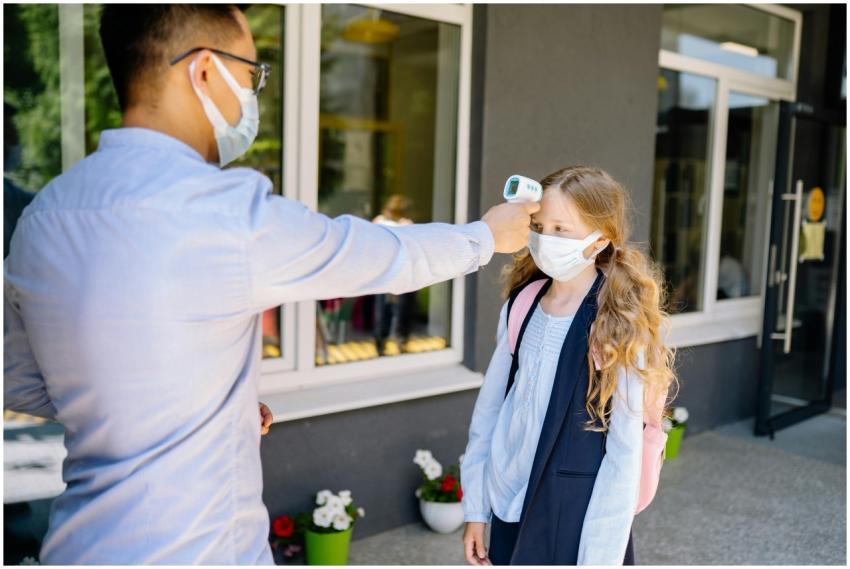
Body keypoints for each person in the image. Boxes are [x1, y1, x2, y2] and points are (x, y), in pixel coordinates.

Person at [3, 5, 537, 564]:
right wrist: (484, 235)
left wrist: (186, 402)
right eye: (251, 73)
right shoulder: (222, 212)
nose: (252, 95)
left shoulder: (44, 216)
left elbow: (18, 380)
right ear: (205, 72)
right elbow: (374, 255)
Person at [460, 166, 677, 565]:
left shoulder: (616, 326)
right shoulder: (522, 306)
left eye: (562, 228)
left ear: (600, 240)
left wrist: (600, 558)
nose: (545, 239)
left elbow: (623, 454)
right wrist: (477, 509)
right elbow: (490, 412)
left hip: (576, 522)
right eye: (539, 226)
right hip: (510, 506)